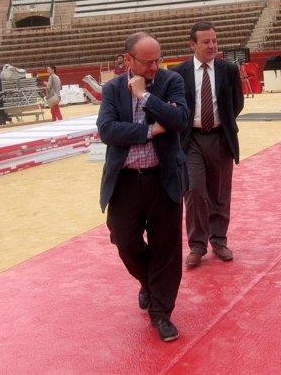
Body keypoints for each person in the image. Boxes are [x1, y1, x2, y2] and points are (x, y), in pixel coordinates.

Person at [97, 31, 190, 342]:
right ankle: (149, 282)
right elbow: (107, 130)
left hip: (163, 179)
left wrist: (145, 97)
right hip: (125, 182)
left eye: (157, 60)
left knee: (167, 248)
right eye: (147, 62)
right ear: (129, 60)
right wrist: (149, 130)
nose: (154, 67)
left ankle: (161, 313)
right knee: (125, 242)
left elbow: (179, 120)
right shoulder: (111, 89)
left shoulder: (170, 81)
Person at [172, 21, 244, 268]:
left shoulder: (229, 70)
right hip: (190, 139)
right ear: (192, 44)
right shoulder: (177, 72)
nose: (212, 45)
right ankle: (197, 245)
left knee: (220, 192)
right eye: (206, 41)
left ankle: (219, 240)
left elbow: (237, 104)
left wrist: (220, 122)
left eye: (214, 40)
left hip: (220, 137)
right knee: (195, 191)